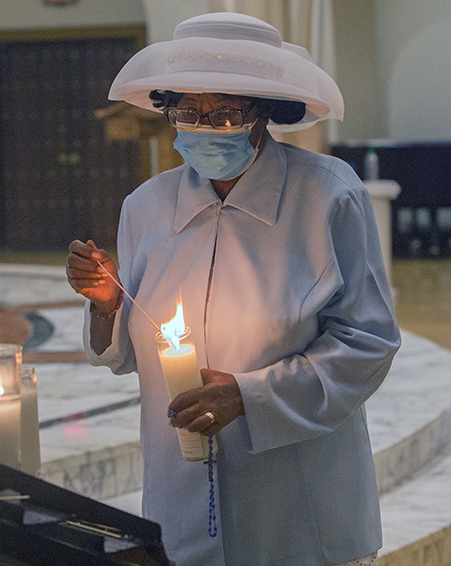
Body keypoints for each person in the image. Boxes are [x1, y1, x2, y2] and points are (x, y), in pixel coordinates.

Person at [66, 12, 401, 566]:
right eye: (188, 112)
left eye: (224, 112)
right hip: (180, 479)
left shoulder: (327, 197)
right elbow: (130, 350)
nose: (203, 126)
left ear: (264, 113)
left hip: (297, 493)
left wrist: (248, 397)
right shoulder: (146, 207)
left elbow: (368, 342)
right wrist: (108, 308)